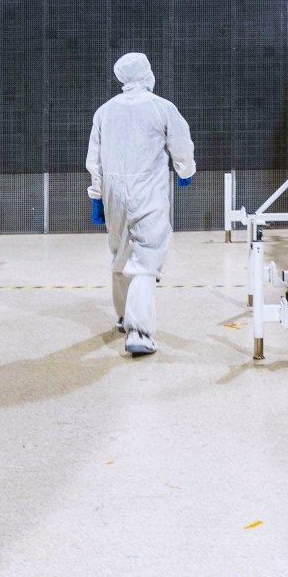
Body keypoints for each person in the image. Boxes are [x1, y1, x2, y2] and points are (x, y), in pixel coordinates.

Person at [85, 52, 196, 356]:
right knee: (146, 259)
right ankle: (140, 332)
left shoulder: (105, 112)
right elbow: (181, 144)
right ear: (147, 74)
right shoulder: (162, 108)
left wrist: (98, 195)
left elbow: (94, 159)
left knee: (120, 253)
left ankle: (123, 316)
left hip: (114, 193)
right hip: (149, 191)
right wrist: (185, 171)